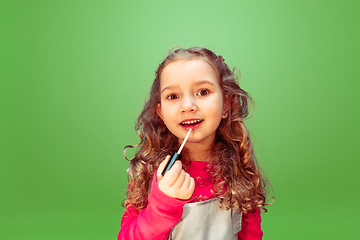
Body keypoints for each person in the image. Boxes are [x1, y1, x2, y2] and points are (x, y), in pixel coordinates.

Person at [118, 47, 270, 240]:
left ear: (226, 105)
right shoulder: (149, 173)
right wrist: (162, 204)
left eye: (203, 92)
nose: (188, 106)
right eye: (173, 96)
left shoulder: (239, 169)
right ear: (161, 114)